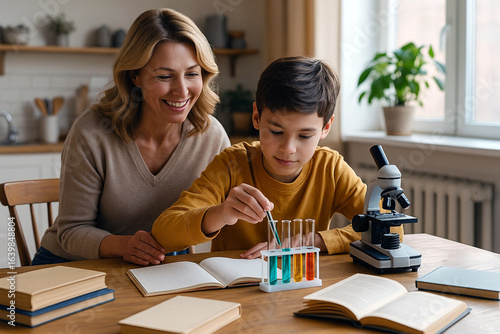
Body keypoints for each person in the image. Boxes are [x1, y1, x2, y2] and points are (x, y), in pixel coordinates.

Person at [32, 8, 230, 266]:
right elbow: (71, 232)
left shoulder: (210, 135)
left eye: (192, 74)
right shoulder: (92, 132)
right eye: (164, 76)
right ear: (134, 75)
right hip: (73, 263)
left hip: (155, 265)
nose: (182, 90)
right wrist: (125, 245)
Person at [151, 56, 403, 258]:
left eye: (305, 135)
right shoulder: (232, 164)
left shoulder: (330, 168)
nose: (288, 148)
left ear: (326, 128)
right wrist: (222, 214)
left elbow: (392, 228)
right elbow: (164, 232)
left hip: (301, 288)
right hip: (239, 294)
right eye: (276, 131)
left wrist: (310, 241)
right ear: (257, 117)